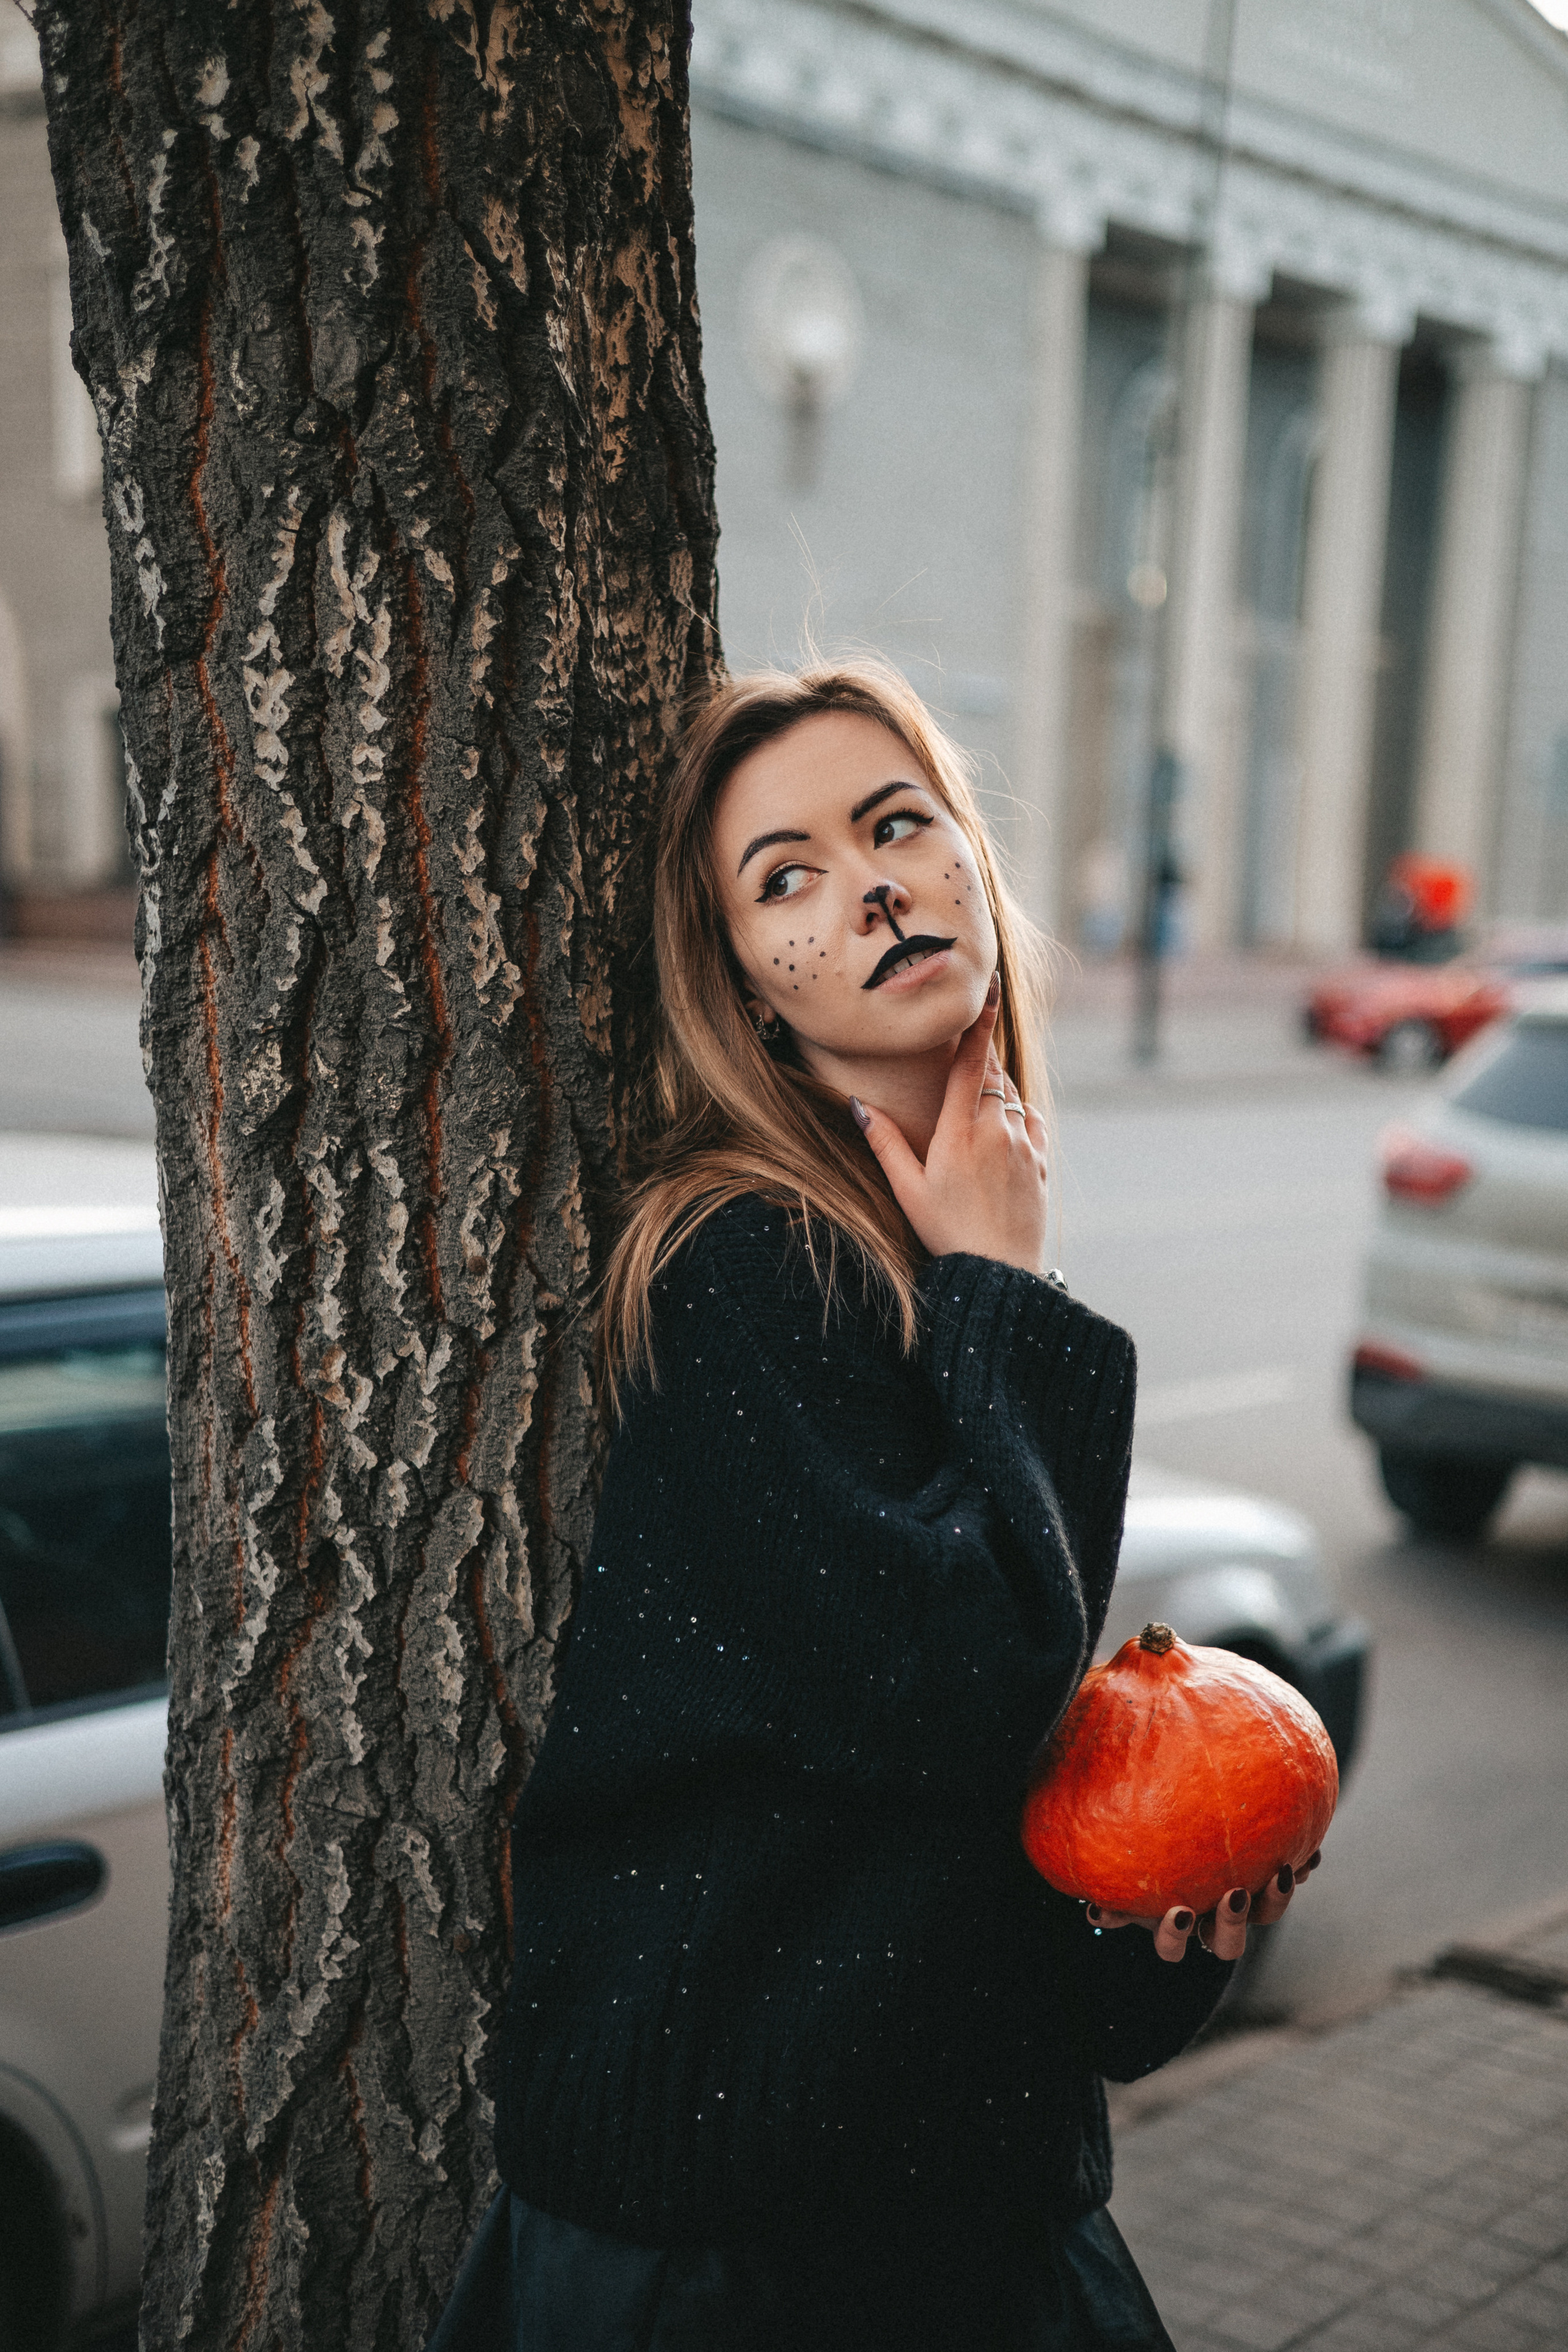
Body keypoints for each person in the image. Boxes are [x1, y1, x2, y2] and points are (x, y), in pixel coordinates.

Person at [428, 660, 1308, 2352]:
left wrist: (1157, 1934)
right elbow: (957, 1682)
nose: (874, 883)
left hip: (954, 2208)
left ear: (974, 862)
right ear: (752, 990)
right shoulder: (742, 1262)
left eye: (899, 825)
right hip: (740, 2251)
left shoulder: (934, 1271)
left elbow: (953, 1825)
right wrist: (1005, 1280)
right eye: (790, 875)